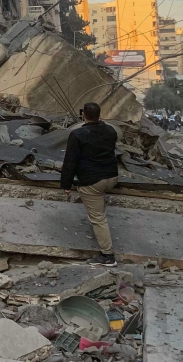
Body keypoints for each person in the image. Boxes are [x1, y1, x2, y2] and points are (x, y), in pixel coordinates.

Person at [61, 102, 119, 267]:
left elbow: (70, 161)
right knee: (98, 210)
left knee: (98, 219)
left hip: (93, 182)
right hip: (112, 177)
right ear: (100, 115)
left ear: (83, 115)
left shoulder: (78, 134)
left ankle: (107, 256)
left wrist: (66, 184)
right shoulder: (110, 131)